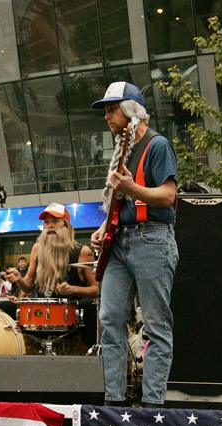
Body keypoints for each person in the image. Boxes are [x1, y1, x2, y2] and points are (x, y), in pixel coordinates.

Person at [89, 82, 179, 407]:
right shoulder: (121, 149)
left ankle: (153, 404)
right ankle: (114, 400)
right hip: (121, 241)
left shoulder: (157, 145)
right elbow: (119, 205)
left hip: (152, 238)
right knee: (110, 317)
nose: (107, 117)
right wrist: (103, 228)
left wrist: (132, 187)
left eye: (111, 110)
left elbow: (168, 196)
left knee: (156, 324)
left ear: (130, 110)